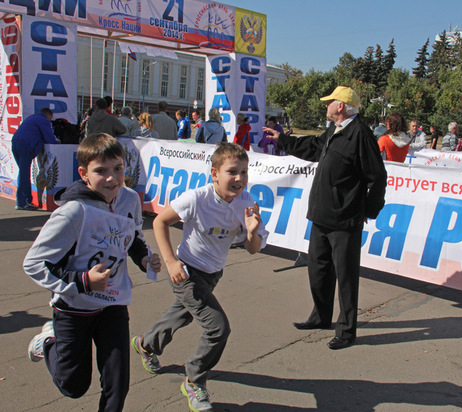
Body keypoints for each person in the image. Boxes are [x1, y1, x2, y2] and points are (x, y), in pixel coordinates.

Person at [24, 133, 161, 411]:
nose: (112, 178)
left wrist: (145, 259)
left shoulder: (130, 199)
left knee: (117, 384)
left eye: (118, 169)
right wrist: (84, 281)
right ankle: (48, 342)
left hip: (113, 302)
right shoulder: (74, 212)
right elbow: (35, 263)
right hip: (74, 307)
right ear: (84, 174)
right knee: (73, 386)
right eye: (101, 171)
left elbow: (131, 236)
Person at [131, 142, 268, 411]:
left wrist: (252, 231)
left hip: (212, 273)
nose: (239, 178)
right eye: (232, 172)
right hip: (186, 272)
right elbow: (160, 222)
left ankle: (146, 344)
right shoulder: (196, 198)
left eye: (244, 172)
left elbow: (253, 249)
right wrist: (171, 262)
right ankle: (194, 380)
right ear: (215, 174)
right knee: (217, 327)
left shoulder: (247, 202)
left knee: (181, 315)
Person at [263, 86, 387, 350]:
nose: (325, 106)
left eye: (329, 102)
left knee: (346, 276)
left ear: (341, 106)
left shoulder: (361, 134)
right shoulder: (334, 130)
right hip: (321, 214)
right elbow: (313, 147)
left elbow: (377, 178)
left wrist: (367, 211)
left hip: (345, 218)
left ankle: (346, 330)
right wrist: (282, 139)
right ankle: (320, 317)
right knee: (318, 268)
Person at [11, 107, 59, 210]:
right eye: (50, 118)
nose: (50, 121)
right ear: (48, 115)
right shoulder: (43, 121)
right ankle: (22, 202)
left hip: (15, 143)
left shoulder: (32, 118)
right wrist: (58, 142)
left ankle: (26, 199)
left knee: (23, 173)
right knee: (24, 174)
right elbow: (49, 138)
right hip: (26, 146)